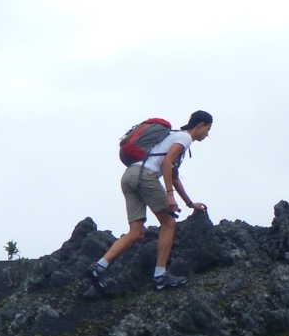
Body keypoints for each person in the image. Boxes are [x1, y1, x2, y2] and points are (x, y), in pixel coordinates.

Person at [88, 110, 213, 292]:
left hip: (130, 176)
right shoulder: (184, 138)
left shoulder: (173, 137)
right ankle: (160, 276)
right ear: (200, 125)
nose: (207, 134)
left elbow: (174, 175)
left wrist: (189, 203)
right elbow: (166, 164)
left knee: (136, 232)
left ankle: (98, 267)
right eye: (207, 129)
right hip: (145, 176)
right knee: (169, 223)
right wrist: (169, 195)